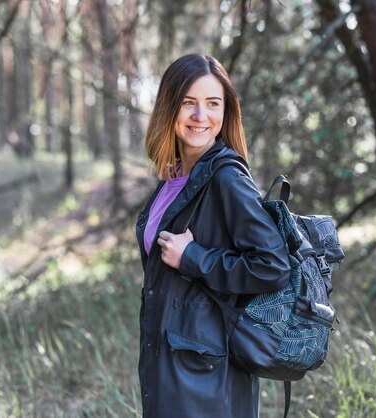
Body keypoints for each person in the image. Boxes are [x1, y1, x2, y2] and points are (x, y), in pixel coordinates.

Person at [135, 53, 291, 417]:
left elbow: (272, 266)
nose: (200, 116)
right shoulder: (173, 177)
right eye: (188, 102)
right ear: (169, 107)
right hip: (168, 361)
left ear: (226, 111)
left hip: (206, 376)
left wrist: (193, 257)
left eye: (212, 104)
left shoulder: (227, 178)